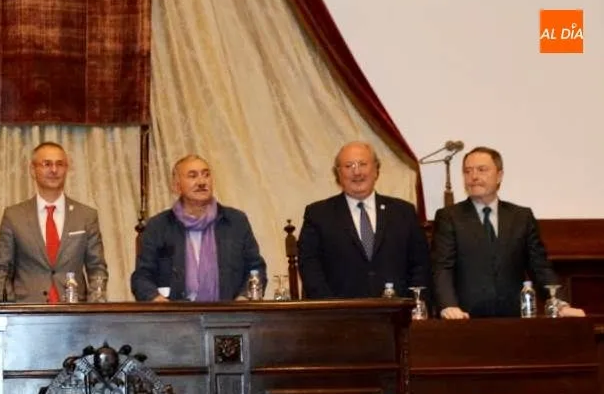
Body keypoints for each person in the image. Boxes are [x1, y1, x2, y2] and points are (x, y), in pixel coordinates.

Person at [432, 146, 584, 318]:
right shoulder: (449, 217)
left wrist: (559, 304)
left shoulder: (521, 217)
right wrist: (448, 306)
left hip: (514, 318)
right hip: (465, 318)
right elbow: (442, 267)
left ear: (499, 176)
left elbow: (539, 266)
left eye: (482, 170)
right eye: (467, 171)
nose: (473, 176)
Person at [297, 141, 430, 299]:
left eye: (363, 164)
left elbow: (420, 265)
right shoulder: (318, 215)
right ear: (338, 174)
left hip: (397, 310)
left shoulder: (403, 212)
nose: (357, 172)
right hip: (340, 310)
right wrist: (331, 307)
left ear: (376, 170)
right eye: (349, 166)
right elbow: (310, 267)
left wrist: (413, 303)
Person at [131, 154, 267, 301]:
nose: (202, 182)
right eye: (193, 176)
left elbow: (256, 269)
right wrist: (156, 300)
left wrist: (244, 298)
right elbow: (141, 277)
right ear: (176, 186)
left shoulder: (235, 222)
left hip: (230, 312)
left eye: (206, 175)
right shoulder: (158, 226)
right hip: (175, 313)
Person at [0, 142, 107, 302]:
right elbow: (0, 269)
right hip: (27, 311)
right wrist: (12, 309)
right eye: (47, 164)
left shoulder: (86, 216)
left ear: (66, 169)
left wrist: (93, 308)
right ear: (33, 170)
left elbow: (97, 268)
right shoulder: (14, 216)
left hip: (74, 310)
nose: (54, 170)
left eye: (60, 164)